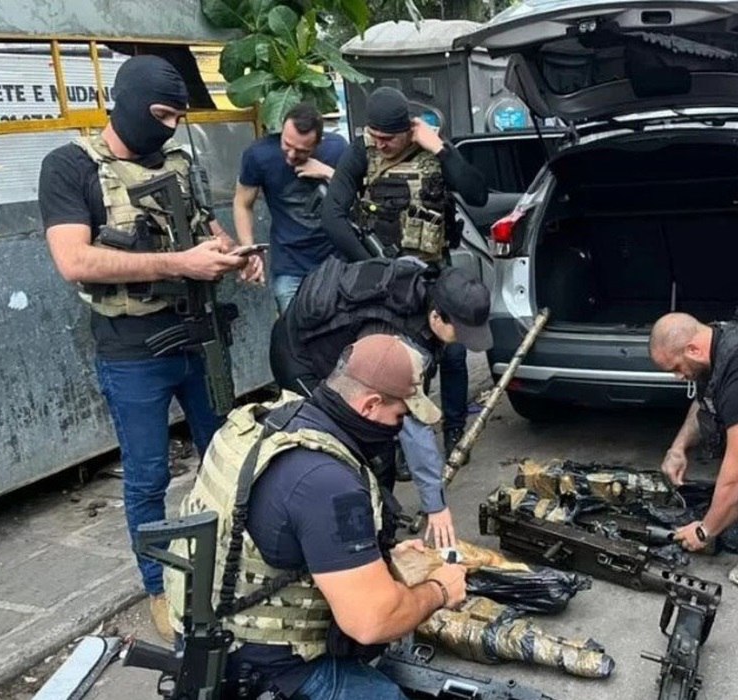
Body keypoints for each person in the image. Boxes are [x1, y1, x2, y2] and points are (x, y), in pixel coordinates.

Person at [37, 55, 254, 641]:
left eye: (179, 117)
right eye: (161, 114)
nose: (170, 127)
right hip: (132, 350)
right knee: (147, 476)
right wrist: (179, 263)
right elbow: (73, 260)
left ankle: (232, 569)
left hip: (201, 337)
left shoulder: (179, 162)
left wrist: (230, 253)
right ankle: (160, 588)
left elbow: (207, 226)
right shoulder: (70, 166)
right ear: (128, 102)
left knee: (226, 458)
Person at [166, 334, 467, 700]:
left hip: (204, 633)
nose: (399, 427)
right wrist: (439, 590)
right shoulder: (328, 483)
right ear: (371, 405)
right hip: (260, 665)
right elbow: (372, 622)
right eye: (400, 415)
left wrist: (380, 559)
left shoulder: (268, 421)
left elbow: (278, 528)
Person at [269, 255, 493, 548]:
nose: (463, 340)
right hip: (301, 358)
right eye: (461, 332)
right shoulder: (397, 341)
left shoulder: (427, 281)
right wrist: (435, 505)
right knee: (343, 449)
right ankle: (345, 543)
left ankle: (380, 529)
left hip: (346, 351)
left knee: (381, 445)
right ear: (436, 317)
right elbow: (414, 427)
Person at [322, 86, 490, 456]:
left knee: (453, 353)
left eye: (389, 138)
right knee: (397, 360)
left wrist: (440, 148)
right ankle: (396, 441)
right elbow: (332, 214)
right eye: (375, 136)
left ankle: (455, 430)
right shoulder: (361, 151)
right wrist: (373, 265)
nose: (380, 144)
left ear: (407, 129)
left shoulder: (431, 147)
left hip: (433, 271)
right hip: (386, 278)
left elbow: (478, 195)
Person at [649, 312, 738, 588]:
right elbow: (707, 400)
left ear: (693, 350)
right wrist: (678, 448)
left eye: (676, 368)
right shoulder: (716, 345)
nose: (678, 376)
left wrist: (704, 531)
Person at [233, 102, 348, 311]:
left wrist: (328, 173)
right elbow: (242, 203)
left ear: (318, 143)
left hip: (336, 261)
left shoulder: (337, 149)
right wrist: (249, 249)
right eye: (287, 145)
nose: (292, 155)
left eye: (302, 151)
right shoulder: (259, 155)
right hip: (289, 264)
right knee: (293, 327)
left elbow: (358, 196)